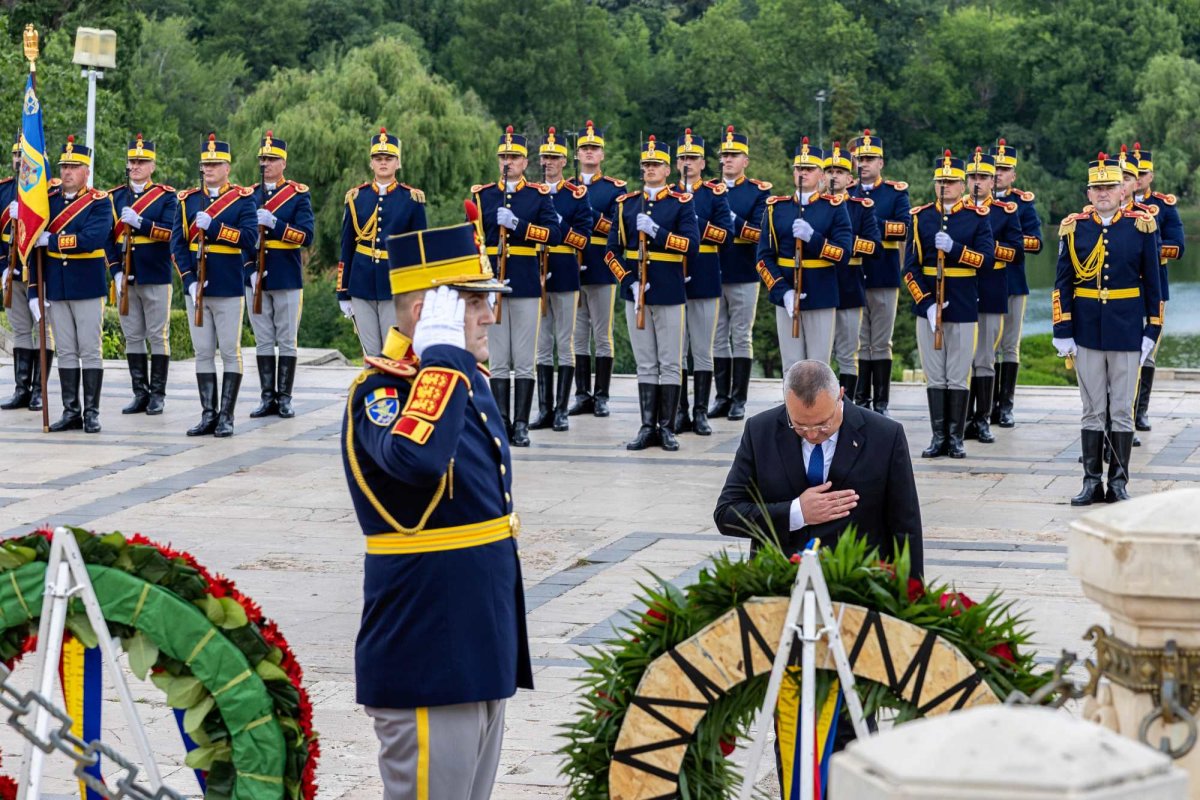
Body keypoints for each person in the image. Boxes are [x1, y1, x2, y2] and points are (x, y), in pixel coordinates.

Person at [341, 221, 531, 800]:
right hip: (427, 646)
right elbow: (418, 461)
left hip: (476, 638)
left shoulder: (459, 381)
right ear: (430, 313)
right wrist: (442, 358)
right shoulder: (382, 392)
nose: (489, 318)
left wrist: (448, 365)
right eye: (474, 304)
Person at [713, 359, 922, 574]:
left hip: (858, 584)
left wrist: (913, 595)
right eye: (800, 425)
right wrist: (797, 512)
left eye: (823, 424)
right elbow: (726, 514)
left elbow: (906, 526)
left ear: (840, 395)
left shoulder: (885, 435)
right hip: (778, 583)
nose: (812, 434)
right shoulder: (760, 431)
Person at [1053, 153, 1161, 505]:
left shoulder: (1141, 225)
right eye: (1097, 188)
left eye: (1110, 187)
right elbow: (1062, 284)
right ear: (1088, 193)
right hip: (1086, 329)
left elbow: (1153, 282)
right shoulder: (1074, 227)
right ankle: (1091, 481)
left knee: (1121, 410)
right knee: (1092, 407)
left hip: (1127, 328)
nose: (1103, 193)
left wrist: (1152, 329)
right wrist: (1062, 327)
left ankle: (1118, 483)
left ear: (1122, 190)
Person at [603, 135, 698, 451]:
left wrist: (658, 233)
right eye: (646, 165)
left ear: (667, 169)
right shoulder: (626, 205)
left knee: (669, 361)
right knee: (645, 362)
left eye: (656, 164)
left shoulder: (681, 203)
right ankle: (647, 427)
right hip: (636, 292)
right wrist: (627, 280)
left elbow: (691, 245)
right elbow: (611, 251)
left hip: (669, 290)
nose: (650, 169)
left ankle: (667, 427)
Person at [471, 126, 562, 447]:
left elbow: (553, 235)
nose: (507, 162)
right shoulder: (483, 195)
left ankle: (521, 424)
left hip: (524, 281)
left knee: (523, 357)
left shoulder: (537, 195)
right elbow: (473, 241)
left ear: (525, 162)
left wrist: (519, 226)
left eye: (514, 157)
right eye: (503, 157)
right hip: (491, 283)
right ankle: (501, 423)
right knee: (497, 358)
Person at [904, 150, 994, 460]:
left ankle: (955, 438)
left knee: (957, 373)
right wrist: (926, 303)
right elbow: (910, 268)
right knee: (935, 374)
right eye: (940, 181)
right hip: (929, 306)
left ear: (962, 185)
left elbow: (985, 260)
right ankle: (938, 435)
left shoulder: (977, 217)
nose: (945, 186)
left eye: (951, 181)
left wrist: (955, 248)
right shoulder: (920, 217)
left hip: (964, 303)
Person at [172, 133, 258, 437]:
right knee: (203, 351)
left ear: (227, 168)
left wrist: (218, 228)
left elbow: (250, 239)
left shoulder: (242, 199)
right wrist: (189, 280)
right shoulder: (187, 200)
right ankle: (208, 414)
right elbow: (177, 244)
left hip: (228, 284)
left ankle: (226, 416)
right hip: (197, 287)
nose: (208, 169)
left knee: (230, 351)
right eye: (205, 164)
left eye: (215, 164)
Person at [27, 137, 112, 433]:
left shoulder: (100, 203)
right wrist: (35, 291)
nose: (67, 172)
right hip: (58, 287)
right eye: (64, 167)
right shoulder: (47, 202)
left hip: (87, 285)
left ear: (86, 171)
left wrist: (55, 240)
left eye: (74, 167)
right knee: (65, 349)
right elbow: (33, 249)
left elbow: (93, 238)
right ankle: (70, 410)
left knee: (89, 349)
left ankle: (91, 412)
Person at [755, 138, 853, 372]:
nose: (802, 173)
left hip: (821, 293)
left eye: (809, 169)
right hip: (786, 293)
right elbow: (763, 258)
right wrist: (783, 291)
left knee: (819, 368)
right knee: (792, 367)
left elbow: (843, 254)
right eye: (799, 168)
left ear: (821, 175)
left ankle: (820, 411)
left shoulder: (834, 207)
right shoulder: (776, 208)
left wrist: (814, 239)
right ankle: (792, 410)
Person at [337, 127, 427, 358]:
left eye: (389, 158)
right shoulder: (356, 197)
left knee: (393, 353)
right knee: (370, 355)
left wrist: (417, 293)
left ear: (398, 163)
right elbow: (347, 247)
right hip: (360, 282)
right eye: (378, 158)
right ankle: (373, 395)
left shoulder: (411, 199)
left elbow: (418, 250)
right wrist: (343, 292)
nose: (383, 163)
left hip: (394, 285)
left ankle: (393, 395)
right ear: (371, 163)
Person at [107, 134, 178, 416]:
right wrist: (114, 272)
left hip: (155, 274)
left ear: (152, 166)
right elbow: (106, 241)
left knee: (158, 335)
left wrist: (142, 223)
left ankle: (158, 395)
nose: (135, 166)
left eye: (141, 161)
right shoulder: (114, 197)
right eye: (132, 161)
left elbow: (172, 232)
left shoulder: (166, 196)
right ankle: (140, 392)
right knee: (133, 336)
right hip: (126, 276)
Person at [248, 131, 315, 419]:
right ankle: (267, 397)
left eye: (272, 159)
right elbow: (240, 238)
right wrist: (249, 270)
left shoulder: (298, 195)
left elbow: (306, 235)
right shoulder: (248, 195)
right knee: (263, 339)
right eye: (263, 159)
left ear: (283, 163)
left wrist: (275, 223)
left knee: (286, 339)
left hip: (286, 273)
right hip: (257, 277)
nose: (267, 164)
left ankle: (285, 397)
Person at [673, 128, 733, 436]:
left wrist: (695, 224)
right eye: (682, 158)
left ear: (703, 162)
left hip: (706, 272)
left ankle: (700, 411)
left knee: (702, 348)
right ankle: (680, 409)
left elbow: (725, 234)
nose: (687, 163)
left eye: (693, 158)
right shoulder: (669, 194)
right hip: (673, 276)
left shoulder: (713, 194)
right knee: (678, 349)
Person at [531, 127, 591, 433]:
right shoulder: (531, 193)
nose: (548, 162)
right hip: (536, 271)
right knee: (542, 345)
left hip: (565, 269)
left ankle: (561, 410)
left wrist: (559, 225)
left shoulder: (575, 196)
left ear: (564, 162)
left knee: (564, 343)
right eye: (544, 157)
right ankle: (543, 409)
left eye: (554, 158)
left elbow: (583, 240)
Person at [849, 130, 910, 415]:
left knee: (881, 342)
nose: (864, 164)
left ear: (881, 163)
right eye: (860, 159)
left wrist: (870, 222)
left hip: (884, 271)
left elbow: (904, 227)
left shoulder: (895, 193)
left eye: (870, 159)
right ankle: (861, 398)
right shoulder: (847, 195)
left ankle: (881, 401)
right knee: (859, 342)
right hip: (854, 272)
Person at [963, 148, 1022, 445]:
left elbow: (1016, 250)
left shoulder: (1004, 211)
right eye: (972, 176)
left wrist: (985, 250)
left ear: (991, 181)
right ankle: (962, 419)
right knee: (963, 360)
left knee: (985, 358)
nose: (977, 182)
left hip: (990, 289)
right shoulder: (956, 211)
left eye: (983, 177)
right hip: (961, 291)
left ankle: (982, 419)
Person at [712, 125, 771, 421]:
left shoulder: (758, 192)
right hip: (713, 269)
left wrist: (728, 218)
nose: (728, 160)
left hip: (744, 271)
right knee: (718, 336)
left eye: (734, 155)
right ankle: (721, 396)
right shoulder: (710, 189)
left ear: (745, 160)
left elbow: (758, 233)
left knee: (741, 335)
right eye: (724, 155)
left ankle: (739, 398)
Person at [568, 120, 626, 418]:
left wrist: (586, 214)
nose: (590, 153)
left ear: (602, 154)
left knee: (602, 334)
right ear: (577, 154)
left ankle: (602, 394)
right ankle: (582, 394)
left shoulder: (614, 189)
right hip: (572, 268)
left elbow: (617, 228)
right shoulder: (567, 188)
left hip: (602, 266)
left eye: (595, 148)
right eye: (585, 148)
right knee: (578, 336)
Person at [1130, 143, 1184, 434]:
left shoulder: (1163, 206)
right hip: (1122, 289)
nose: (1136, 178)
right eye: (1131, 173)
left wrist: (1148, 250)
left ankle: (1141, 410)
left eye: (1142, 173)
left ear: (1151, 176)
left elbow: (1178, 247)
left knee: (1147, 352)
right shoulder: (1116, 207)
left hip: (1153, 288)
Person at [989, 138, 1041, 428]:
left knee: (1009, 345)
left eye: (1004, 168)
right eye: (994, 168)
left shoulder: (1022, 203)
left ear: (1013, 175)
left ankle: (1005, 405)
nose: (998, 173)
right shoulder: (975, 202)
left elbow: (1036, 242)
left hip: (1012, 281)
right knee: (986, 347)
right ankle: (984, 405)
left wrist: (1004, 244)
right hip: (983, 283)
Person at [2, 133, 54, 412]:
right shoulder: (3, 190)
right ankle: (22, 389)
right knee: (21, 330)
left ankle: (39, 391)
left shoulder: (47, 192)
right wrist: (2, 268)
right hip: (12, 272)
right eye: (16, 155)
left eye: (25, 156)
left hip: (41, 272)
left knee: (43, 330)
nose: (20, 160)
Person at [826, 141, 881, 399]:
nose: (833, 176)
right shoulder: (815, 207)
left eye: (839, 172)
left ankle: (847, 404)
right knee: (821, 353)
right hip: (819, 283)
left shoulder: (861, 208)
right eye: (829, 171)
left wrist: (843, 244)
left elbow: (874, 246)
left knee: (848, 352)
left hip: (849, 283)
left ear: (850, 178)